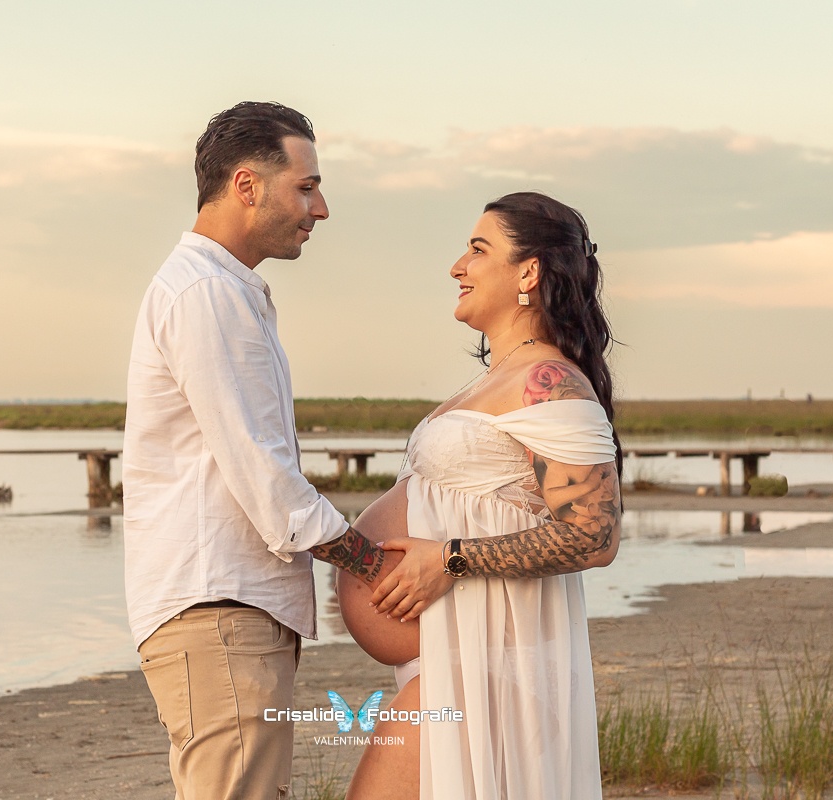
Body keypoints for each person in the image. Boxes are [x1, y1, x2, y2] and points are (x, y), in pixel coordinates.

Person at [123, 101, 396, 800]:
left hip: (229, 606)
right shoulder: (209, 294)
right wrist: (376, 566)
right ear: (247, 185)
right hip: (219, 606)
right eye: (306, 186)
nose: (321, 207)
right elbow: (266, 479)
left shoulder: (222, 289)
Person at [335, 191, 623, 799]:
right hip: (450, 654)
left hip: (483, 666)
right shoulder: (496, 381)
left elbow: (594, 536)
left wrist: (450, 559)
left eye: (477, 248)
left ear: (529, 271)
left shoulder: (548, 383)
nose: (456, 266)